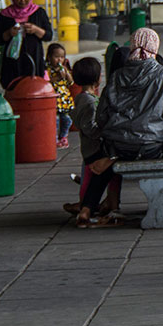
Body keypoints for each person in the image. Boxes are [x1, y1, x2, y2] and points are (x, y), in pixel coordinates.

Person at [76, 28, 163, 228]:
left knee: (106, 165)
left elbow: (101, 116)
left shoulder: (117, 76)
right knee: (121, 157)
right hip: (151, 146)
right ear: (155, 47)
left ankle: (86, 209)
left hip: (117, 145)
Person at [63, 57, 121, 218]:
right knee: (102, 173)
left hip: (87, 148)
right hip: (95, 148)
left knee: (90, 177)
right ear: (98, 78)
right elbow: (90, 127)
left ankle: (90, 204)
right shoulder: (90, 102)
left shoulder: (80, 98)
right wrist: (104, 132)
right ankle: (89, 205)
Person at [0, 0, 52, 88]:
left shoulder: (39, 13)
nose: (22, 0)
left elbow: (49, 35)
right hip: (12, 63)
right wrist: (9, 33)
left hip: (34, 59)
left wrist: (36, 30)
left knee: (34, 89)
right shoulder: (4, 15)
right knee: (14, 91)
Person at [46, 43, 75, 149]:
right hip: (54, 100)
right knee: (56, 120)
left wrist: (66, 74)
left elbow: (71, 83)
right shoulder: (47, 70)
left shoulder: (64, 69)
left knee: (67, 120)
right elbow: (46, 83)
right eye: (56, 57)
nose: (59, 60)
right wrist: (57, 77)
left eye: (62, 57)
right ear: (49, 57)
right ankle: (54, 139)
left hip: (64, 101)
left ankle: (63, 137)